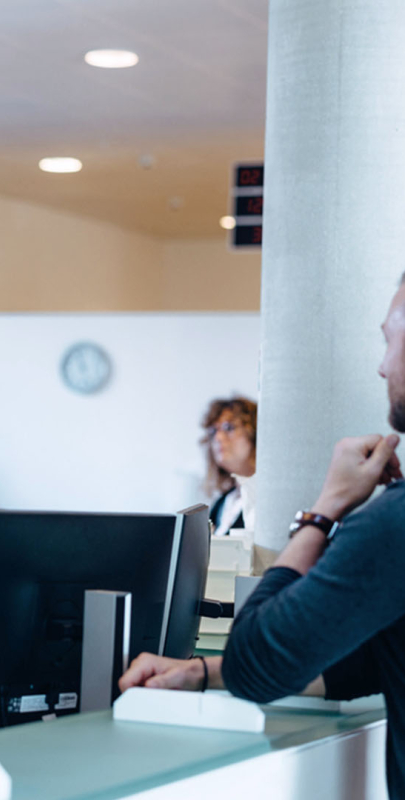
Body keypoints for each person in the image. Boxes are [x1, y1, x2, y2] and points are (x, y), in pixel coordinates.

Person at [120, 278, 405, 798]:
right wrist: (202, 673)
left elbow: (258, 662)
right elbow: (367, 666)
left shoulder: (394, 524)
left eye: (389, 340)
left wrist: (323, 512)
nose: (382, 365)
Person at [201, 396, 257, 536]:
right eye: (213, 431)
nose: (218, 438)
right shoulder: (221, 503)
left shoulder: (268, 500)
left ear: (255, 433)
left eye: (228, 427)